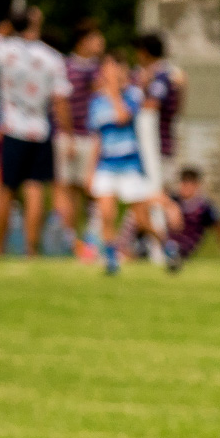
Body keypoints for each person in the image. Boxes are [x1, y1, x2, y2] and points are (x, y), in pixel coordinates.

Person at [0, 7, 72, 257]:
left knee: (7, 190)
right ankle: (31, 249)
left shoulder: (5, 50)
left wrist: (11, 23)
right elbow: (60, 99)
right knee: (35, 189)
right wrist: (67, 132)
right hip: (40, 130)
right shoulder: (52, 57)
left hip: (12, 128)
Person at [86, 53, 160, 276]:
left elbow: (122, 117)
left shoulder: (133, 94)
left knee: (142, 220)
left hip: (129, 165)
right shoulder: (96, 102)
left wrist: (113, 91)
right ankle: (111, 258)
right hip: (106, 165)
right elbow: (98, 139)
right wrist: (90, 170)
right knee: (106, 214)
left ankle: (167, 245)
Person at [55, 24, 105, 256]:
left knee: (91, 189)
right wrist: (68, 136)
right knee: (68, 190)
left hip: (91, 137)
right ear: (83, 40)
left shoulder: (99, 69)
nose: (100, 43)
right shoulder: (65, 66)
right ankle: (68, 242)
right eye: (96, 38)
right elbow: (60, 102)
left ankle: (92, 240)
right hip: (71, 136)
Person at [158, 167, 220, 273]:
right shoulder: (173, 200)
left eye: (190, 183)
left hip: (183, 249)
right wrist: (169, 206)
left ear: (197, 185)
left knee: (173, 248)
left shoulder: (205, 208)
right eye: (184, 182)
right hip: (162, 242)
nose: (186, 187)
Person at [134, 33, 185, 185]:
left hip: (158, 147)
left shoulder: (161, 77)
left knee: (157, 192)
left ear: (144, 52)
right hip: (162, 145)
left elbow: (152, 105)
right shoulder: (169, 74)